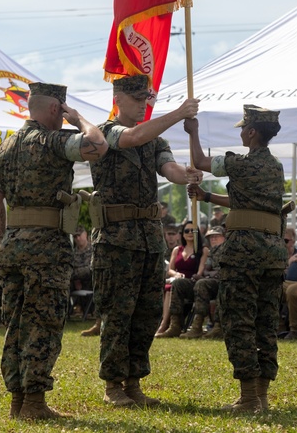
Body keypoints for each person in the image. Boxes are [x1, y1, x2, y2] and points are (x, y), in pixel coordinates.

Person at [0, 81, 109, 420]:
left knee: (16, 322)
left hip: (12, 245)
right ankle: (35, 404)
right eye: (63, 110)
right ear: (56, 109)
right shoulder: (55, 141)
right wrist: (80, 118)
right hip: (47, 247)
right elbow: (98, 144)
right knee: (44, 322)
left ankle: (17, 401)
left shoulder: (6, 146)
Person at [87, 74, 199, 408]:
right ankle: (112, 385)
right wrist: (179, 113)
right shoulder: (104, 133)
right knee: (118, 314)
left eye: (147, 99)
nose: (143, 105)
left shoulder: (154, 140)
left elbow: (169, 170)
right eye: (137, 99)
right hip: (116, 240)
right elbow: (133, 137)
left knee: (146, 313)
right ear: (118, 98)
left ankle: (134, 381)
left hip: (148, 239)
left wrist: (187, 175)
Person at [185, 103, 291, 413]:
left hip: (245, 250)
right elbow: (245, 200)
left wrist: (194, 132)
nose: (241, 133)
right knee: (265, 320)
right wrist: (206, 197)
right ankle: (261, 396)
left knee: (238, 320)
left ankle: (248, 399)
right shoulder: (275, 167)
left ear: (252, 132)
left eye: (243, 128)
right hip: (273, 249)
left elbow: (200, 161)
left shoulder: (240, 164)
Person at [156, 220, 206, 338]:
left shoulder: (203, 250)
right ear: (182, 234)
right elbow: (170, 270)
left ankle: (164, 325)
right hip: (177, 280)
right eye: (186, 230)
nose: (189, 233)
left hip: (192, 283)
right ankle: (169, 324)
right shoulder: (177, 250)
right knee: (169, 287)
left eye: (192, 230)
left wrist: (196, 275)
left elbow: (200, 270)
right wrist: (176, 275)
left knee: (173, 287)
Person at [179, 225, 226, 339]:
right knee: (181, 284)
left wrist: (211, 274)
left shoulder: (227, 249)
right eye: (211, 237)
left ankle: (217, 327)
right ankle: (186, 325)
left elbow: (223, 271)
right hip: (213, 282)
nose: (213, 239)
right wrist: (210, 274)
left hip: (225, 282)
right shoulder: (212, 251)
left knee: (204, 284)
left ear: (224, 237)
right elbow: (206, 270)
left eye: (216, 236)